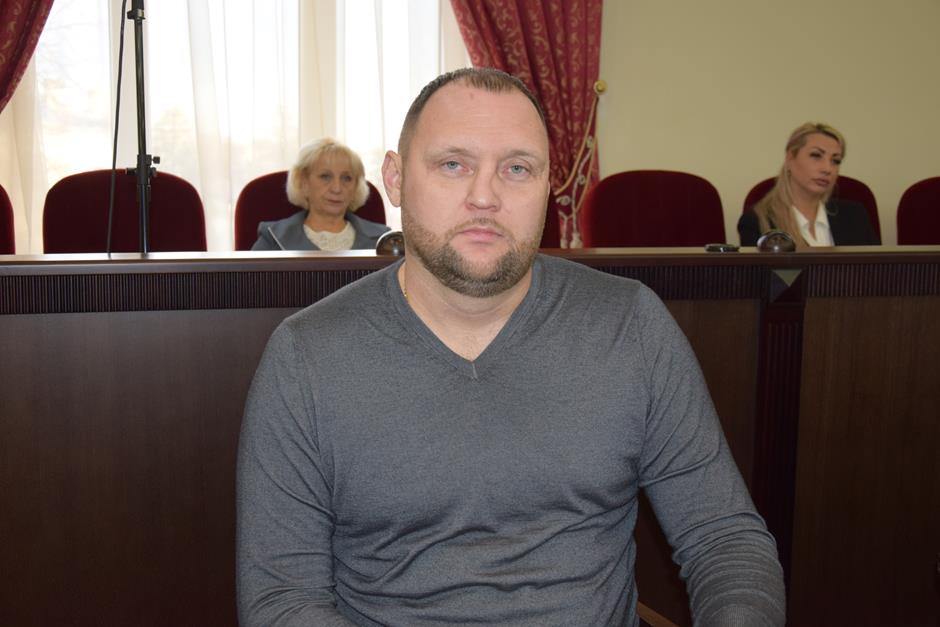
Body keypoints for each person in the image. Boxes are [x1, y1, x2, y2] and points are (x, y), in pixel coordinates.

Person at [237, 68, 786, 626]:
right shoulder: (307, 355)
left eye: (517, 168)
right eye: (453, 165)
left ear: (548, 186)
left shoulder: (630, 325)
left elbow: (724, 540)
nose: (485, 197)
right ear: (395, 180)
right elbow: (283, 598)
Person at [738, 122, 879, 248]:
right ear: (790, 158)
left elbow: (875, 268)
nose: (827, 169)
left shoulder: (856, 216)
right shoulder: (757, 222)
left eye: (835, 161)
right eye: (816, 155)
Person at [251, 138, 390, 251]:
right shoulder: (273, 239)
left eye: (346, 178)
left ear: (356, 187)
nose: (337, 188)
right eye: (325, 176)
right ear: (303, 182)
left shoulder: (384, 240)